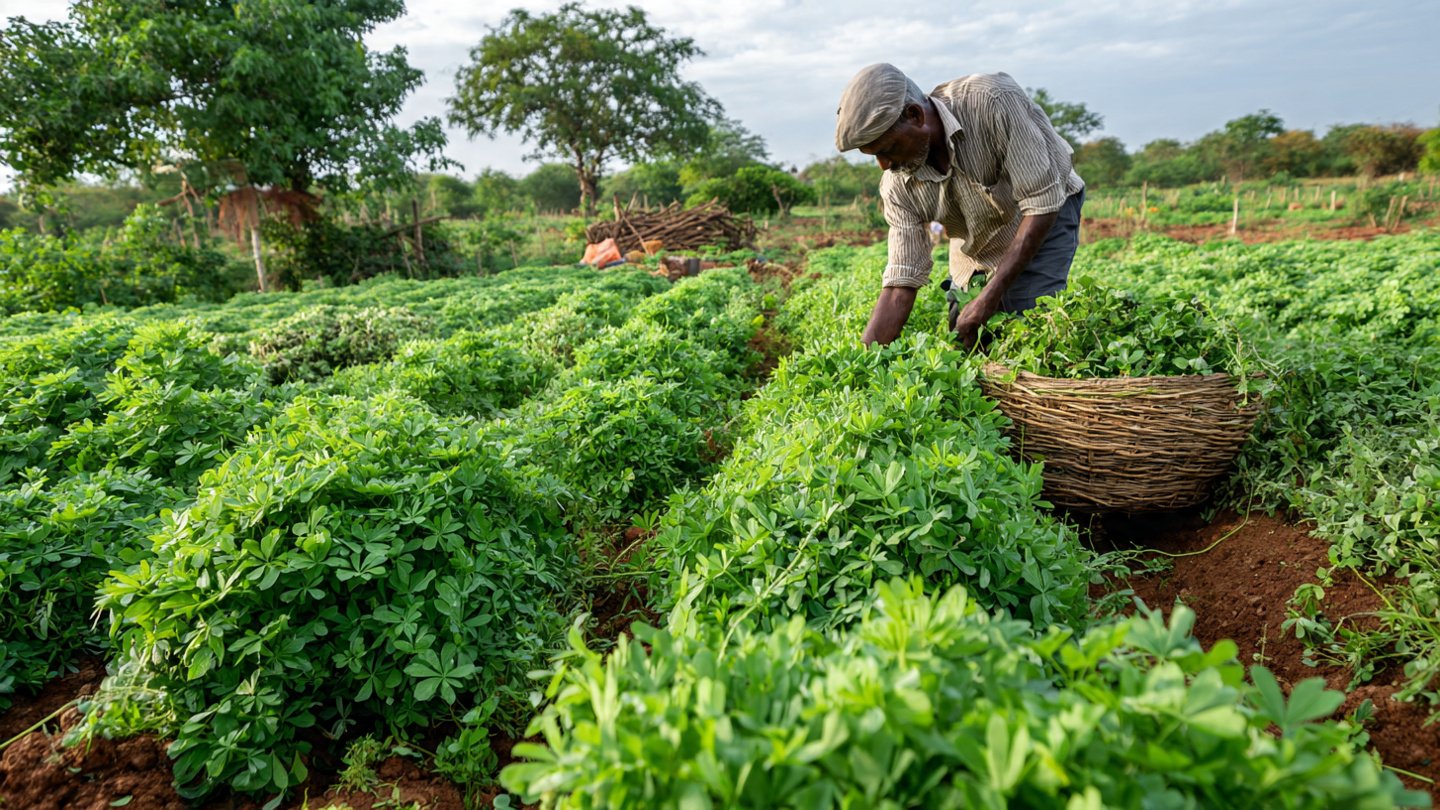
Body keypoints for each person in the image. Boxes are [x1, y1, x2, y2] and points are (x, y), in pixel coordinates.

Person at [834, 63, 1086, 348]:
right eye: (873, 157)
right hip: (975, 231)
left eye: (886, 149)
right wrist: (861, 363)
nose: (884, 165)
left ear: (915, 115)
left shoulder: (993, 102)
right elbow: (899, 283)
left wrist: (989, 299)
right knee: (965, 332)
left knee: (1027, 321)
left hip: (1043, 211)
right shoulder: (897, 184)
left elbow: (1041, 203)